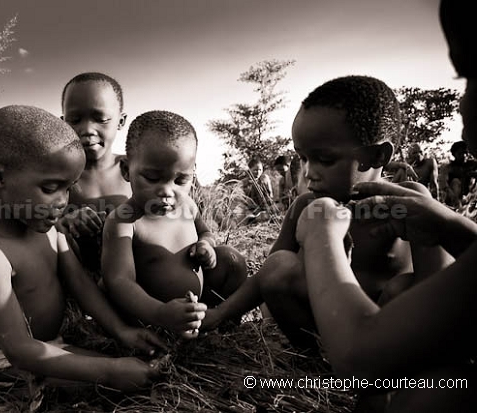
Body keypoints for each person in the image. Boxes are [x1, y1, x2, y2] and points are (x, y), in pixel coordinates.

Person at [0, 106, 166, 410]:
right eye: (50, 188)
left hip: (45, 348)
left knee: (133, 372)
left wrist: (122, 331)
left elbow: (80, 284)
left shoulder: (46, 227)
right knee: (109, 381)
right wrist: (110, 371)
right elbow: (19, 350)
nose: (62, 201)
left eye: (68, 189)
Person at [287, 1, 477, 410]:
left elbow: (359, 357)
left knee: (426, 398)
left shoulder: (361, 208)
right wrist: (451, 227)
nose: (462, 104)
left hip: (379, 347)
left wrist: (321, 232)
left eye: (472, 76)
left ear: (374, 158)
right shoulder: (414, 212)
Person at [203, 76, 452, 350]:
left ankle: (379, 363)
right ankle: (317, 357)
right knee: (279, 266)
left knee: (402, 288)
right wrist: (220, 314)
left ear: (377, 156)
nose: (309, 173)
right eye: (303, 158)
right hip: (324, 327)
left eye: (325, 160)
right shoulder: (305, 207)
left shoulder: (408, 202)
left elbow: (440, 285)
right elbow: (267, 275)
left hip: (389, 333)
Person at [102, 110, 247, 338]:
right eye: (152, 178)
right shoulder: (124, 220)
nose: (167, 191)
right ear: (126, 170)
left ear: (193, 172)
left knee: (231, 259)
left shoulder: (188, 205)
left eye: (180, 180)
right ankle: (172, 329)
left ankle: (223, 326)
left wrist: (206, 245)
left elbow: (206, 232)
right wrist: (159, 313)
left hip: (197, 301)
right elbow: (119, 281)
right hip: (151, 316)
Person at [58, 72, 131, 273]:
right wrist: (65, 225)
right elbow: (36, 232)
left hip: (136, 277)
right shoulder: (56, 178)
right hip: (78, 279)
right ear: (63, 123)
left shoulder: (136, 170)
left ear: (121, 121)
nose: (88, 129)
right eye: (75, 120)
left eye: (101, 119)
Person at [441, 140, 477, 207]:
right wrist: (454, 198)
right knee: (456, 182)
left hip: (469, 196)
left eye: (465, 153)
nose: (464, 156)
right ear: (454, 154)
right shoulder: (448, 167)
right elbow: (443, 185)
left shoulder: (472, 164)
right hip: (453, 198)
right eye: (460, 153)